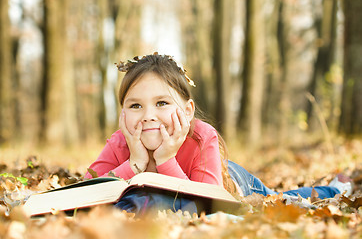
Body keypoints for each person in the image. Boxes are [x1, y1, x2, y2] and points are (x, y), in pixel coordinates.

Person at [85, 53, 352, 214]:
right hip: (193, 184)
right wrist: (134, 165)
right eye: (135, 106)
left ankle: (334, 189)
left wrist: (165, 161)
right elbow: (81, 191)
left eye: (162, 103)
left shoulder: (202, 136)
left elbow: (209, 203)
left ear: (188, 111)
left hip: (231, 180)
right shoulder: (121, 141)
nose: (148, 116)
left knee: (280, 198)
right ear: (122, 112)